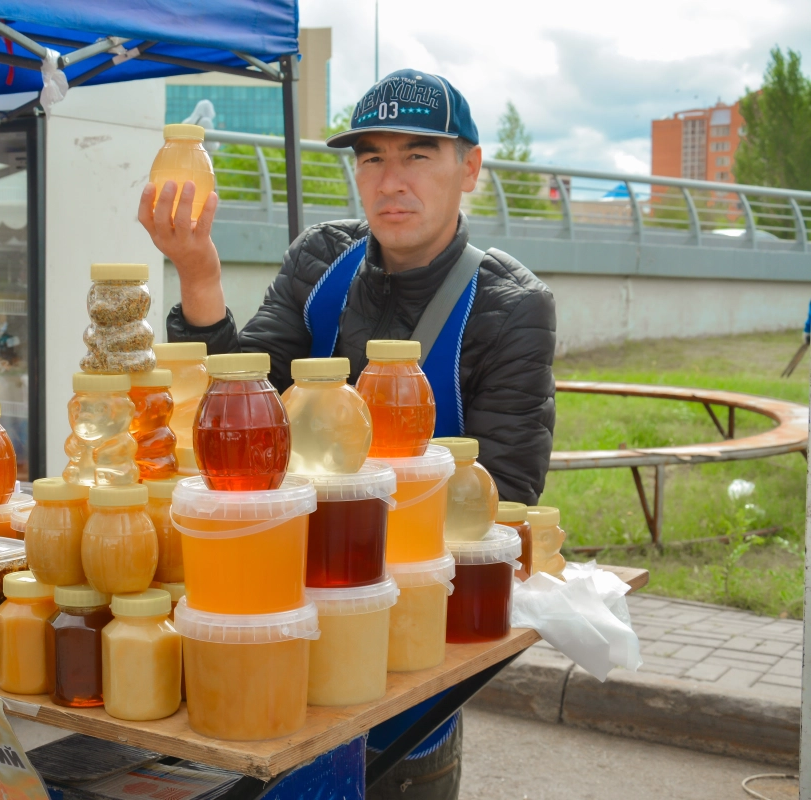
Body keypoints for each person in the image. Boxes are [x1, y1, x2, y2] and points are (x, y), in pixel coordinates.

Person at [139, 69, 556, 799]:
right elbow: (237, 413)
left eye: (418, 155)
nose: (391, 180)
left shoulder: (511, 305)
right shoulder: (318, 261)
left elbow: (505, 496)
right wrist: (198, 272)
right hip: (273, 625)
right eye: (371, 157)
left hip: (407, 665)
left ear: (470, 168)